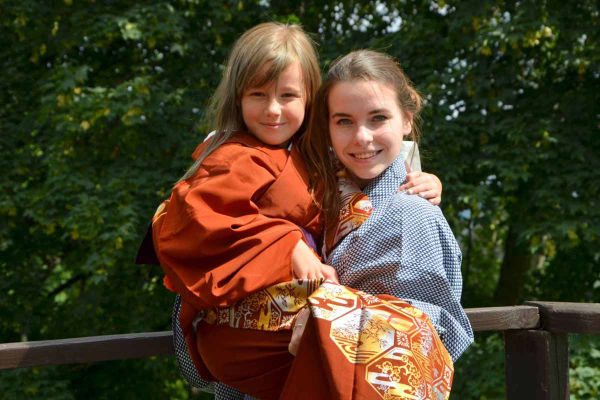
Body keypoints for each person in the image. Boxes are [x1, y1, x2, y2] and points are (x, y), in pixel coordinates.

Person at [141, 22, 445, 399]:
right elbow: (197, 222)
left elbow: (376, 159)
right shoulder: (231, 156)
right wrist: (288, 245)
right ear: (238, 97)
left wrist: (425, 180)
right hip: (249, 328)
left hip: (293, 330)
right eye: (258, 94)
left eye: (288, 95)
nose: (273, 110)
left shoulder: (315, 154)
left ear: (309, 99)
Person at [281, 49, 474, 399]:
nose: (362, 137)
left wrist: (324, 314)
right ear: (327, 126)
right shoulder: (317, 188)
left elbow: (426, 329)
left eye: (378, 118)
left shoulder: (413, 214)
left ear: (407, 119)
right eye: (344, 121)